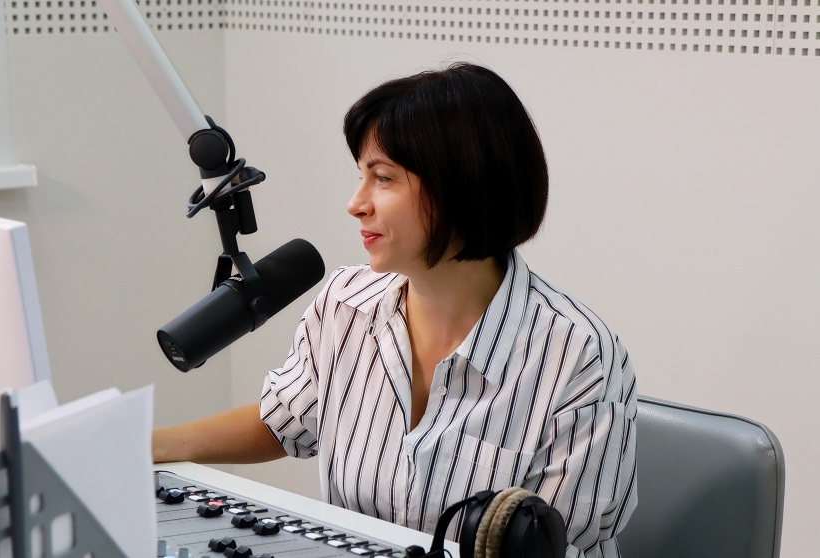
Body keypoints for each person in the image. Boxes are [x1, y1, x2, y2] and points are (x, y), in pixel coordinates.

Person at [153, 62, 637, 558]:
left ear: (464, 187)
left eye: (383, 178)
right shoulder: (344, 303)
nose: (356, 203)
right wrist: (146, 446)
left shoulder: (580, 359)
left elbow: (552, 546)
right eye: (361, 176)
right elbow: (283, 422)